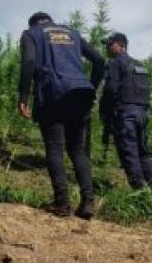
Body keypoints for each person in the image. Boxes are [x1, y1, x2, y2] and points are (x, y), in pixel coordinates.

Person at [18, 12, 105, 219]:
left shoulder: (31, 34)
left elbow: (29, 61)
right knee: (77, 150)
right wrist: (91, 86)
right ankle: (88, 203)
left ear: (33, 23)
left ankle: (62, 203)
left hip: (52, 92)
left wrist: (23, 97)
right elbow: (100, 59)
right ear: (50, 20)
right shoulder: (72, 33)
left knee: (55, 147)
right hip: (81, 92)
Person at [100, 32, 152, 190]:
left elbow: (111, 89)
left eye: (109, 44)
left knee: (129, 152)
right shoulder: (139, 65)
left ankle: (140, 190)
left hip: (125, 113)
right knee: (142, 151)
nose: (106, 47)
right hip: (142, 114)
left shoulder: (115, 62)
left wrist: (104, 111)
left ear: (120, 46)